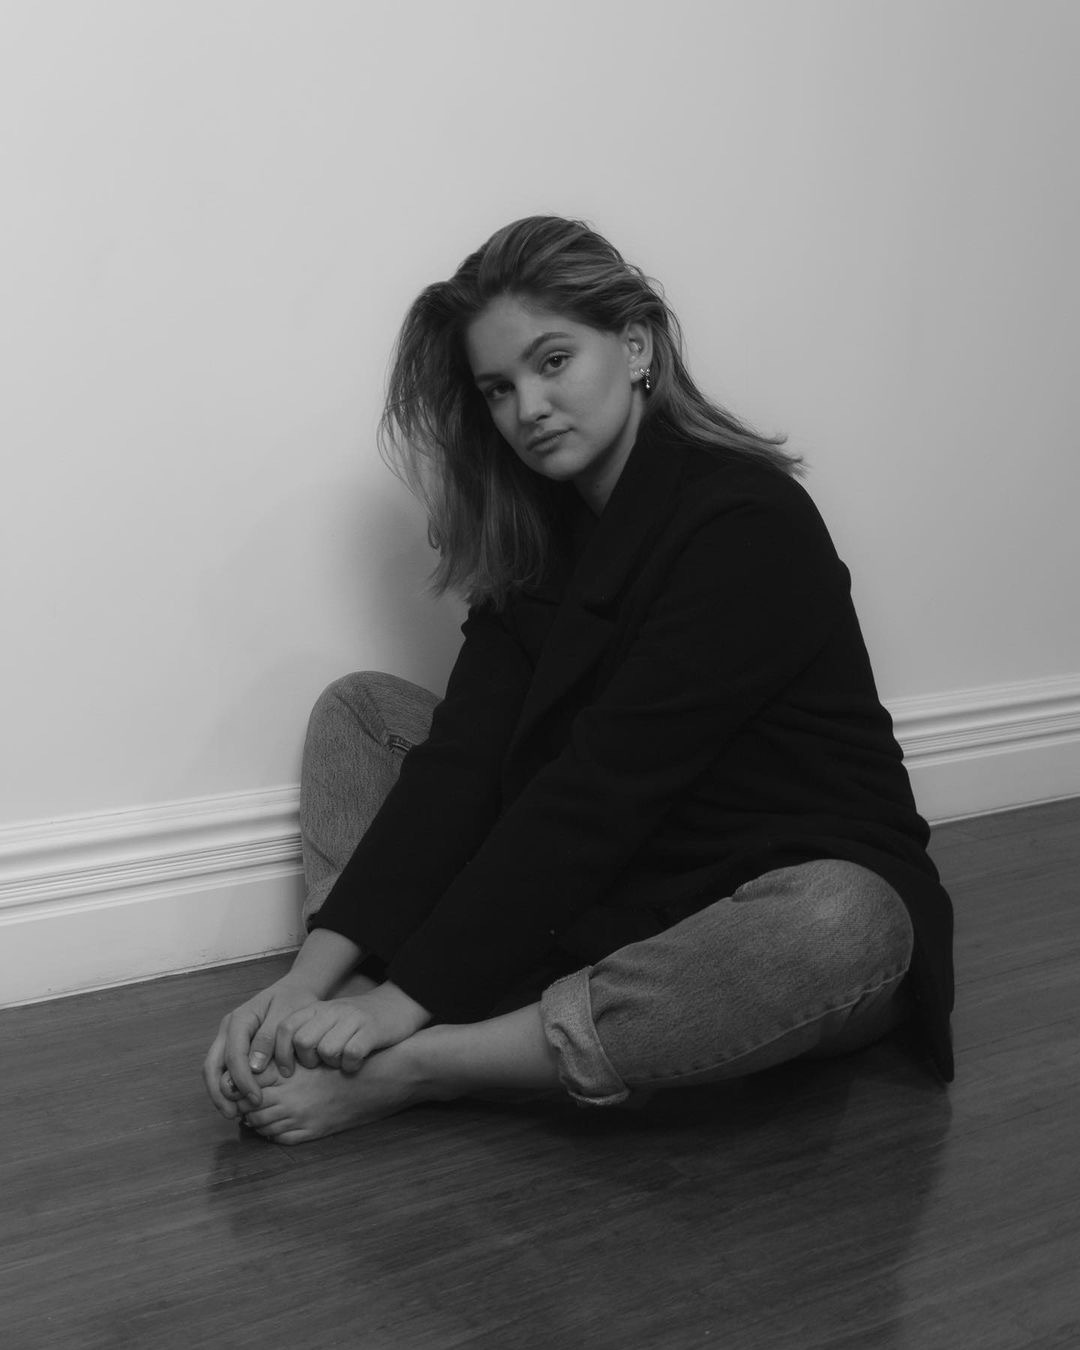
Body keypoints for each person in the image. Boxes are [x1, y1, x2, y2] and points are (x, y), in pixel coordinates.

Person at [203, 216, 954, 1145]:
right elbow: (466, 761)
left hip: (759, 893)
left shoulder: (746, 522)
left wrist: (405, 1008)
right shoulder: (540, 532)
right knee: (363, 711)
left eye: (553, 362)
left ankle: (424, 1063)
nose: (529, 407)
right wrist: (305, 981)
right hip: (609, 891)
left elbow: (601, 793)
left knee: (847, 922)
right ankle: (356, 997)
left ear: (636, 347)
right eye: (499, 388)